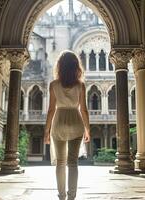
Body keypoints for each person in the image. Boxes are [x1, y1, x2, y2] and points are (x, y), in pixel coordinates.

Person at [44, 50, 90, 200]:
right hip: (76, 122)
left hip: (58, 122)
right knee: (73, 163)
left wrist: (46, 131)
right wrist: (87, 129)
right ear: (76, 66)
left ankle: (61, 196)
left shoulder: (53, 85)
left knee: (60, 163)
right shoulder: (81, 85)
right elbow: (83, 109)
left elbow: (51, 109)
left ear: (60, 67)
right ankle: (72, 197)